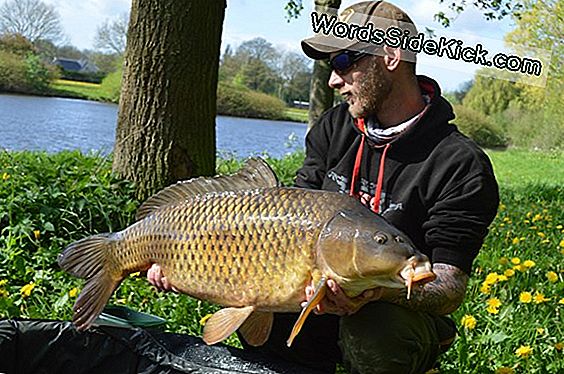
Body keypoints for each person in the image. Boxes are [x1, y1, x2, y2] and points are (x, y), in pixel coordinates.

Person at [148, 1, 499, 373]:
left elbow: (449, 287)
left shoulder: (459, 163)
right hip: (315, 293)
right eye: (332, 67)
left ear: (391, 55)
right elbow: (292, 214)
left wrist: (377, 292)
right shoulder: (335, 128)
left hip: (393, 314)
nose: (334, 79)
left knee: (376, 329)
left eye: (344, 62)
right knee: (270, 295)